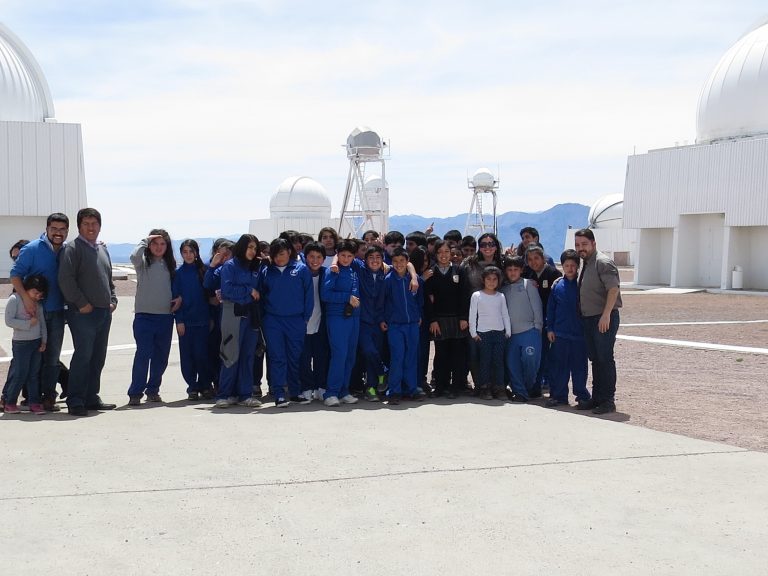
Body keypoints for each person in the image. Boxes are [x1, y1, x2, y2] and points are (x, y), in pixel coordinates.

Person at [58, 207, 118, 416]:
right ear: (79, 226)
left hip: (103, 312)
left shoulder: (102, 249)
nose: (91, 228)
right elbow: (66, 279)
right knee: (83, 356)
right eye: (86, 224)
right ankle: (75, 401)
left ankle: (91, 397)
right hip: (82, 313)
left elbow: (108, 278)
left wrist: (113, 300)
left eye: (94, 224)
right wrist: (81, 303)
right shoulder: (72, 249)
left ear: (99, 226)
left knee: (98, 357)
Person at [9, 214, 69, 411]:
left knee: (52, 358)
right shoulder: (32, 249)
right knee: (26, 360)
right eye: (54, 228)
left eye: (62, 229)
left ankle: (48, 397)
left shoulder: (67, 251)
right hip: (34, 312)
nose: (58, 233)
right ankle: (16, 398)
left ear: (67, 231)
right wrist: (26, 299)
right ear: (47, 228)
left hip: (58, 312)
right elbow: (15, 275)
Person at [258, 238, 314, 407]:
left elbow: (309, 295)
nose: (279, 258)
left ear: (289, 252)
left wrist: (305, 318)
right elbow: (260, 295)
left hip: (296, 320)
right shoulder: (266, 271)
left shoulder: (301, 269)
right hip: (273, 321)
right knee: (277, 357)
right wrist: (263, 319)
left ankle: (295, 392)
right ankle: (279, 393)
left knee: (294, 357)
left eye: (282, 254)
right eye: (275, 255)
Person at [127, 230, 179, 406]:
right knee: (143, 355)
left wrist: (179, 300)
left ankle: (153, 390)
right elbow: (133, 255)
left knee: (161, 358)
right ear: (149, 246)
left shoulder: (171, 265)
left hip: (165, 317)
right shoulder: (142, 263)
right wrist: (144, 240)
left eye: (162, 244)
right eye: (155, 244)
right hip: (144, 317)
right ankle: (135, 392)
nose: (158, 247)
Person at [575, 228, 622, 415]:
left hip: (603, 318)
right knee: (595, 359)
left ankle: (608, 401)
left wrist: (606, 314)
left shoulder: (603, 262)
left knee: (605, 359)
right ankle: (597, 397)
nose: (581, 248)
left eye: (584, 244)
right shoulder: (586, 263)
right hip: (589, 318)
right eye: (578, 245)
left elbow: (613, 289)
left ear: (593, 243)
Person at [215, 234, 263, 409]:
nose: (253, 251)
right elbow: (227, 291)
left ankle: (245, 394)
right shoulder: (230, 266)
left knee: (248, 356)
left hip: (251, 317)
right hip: (233, 315)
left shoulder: (255, 267)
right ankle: (224, 394)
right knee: (229, 354)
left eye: (255, 248)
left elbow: (262, 289)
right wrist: (248, 290)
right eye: (250, 247)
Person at [378, 247, 426, 405]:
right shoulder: (388, 280)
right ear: (392, 263)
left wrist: (418, 315)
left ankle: (411, 389)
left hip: (412, 324)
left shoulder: (415, 279)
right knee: (397, 357)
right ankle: (394, 391)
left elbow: (419, 300)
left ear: (407, 262)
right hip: (395, 325)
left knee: (411, 357)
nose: (399, 264)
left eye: (402, 261)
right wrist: (383, 319)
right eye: (395, 261)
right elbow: (382, 301)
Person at [424, 239, 468, 399]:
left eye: (446, 252)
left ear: (451, 254)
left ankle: (455, 387)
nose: (443, 255)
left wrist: (464, 317)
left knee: (457, 355)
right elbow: (428, 300)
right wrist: (433, 320)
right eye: (440, 252)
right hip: (439, 320)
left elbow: (464, 295)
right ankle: (440, 386)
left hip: (457, 319)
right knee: (441, 354)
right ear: (435, 254)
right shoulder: (430, 272)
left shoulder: (459, 271)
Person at [545, 249, 590, 408]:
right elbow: (551, 308)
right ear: (562, 266)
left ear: (578, 266)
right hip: (560, 335)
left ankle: (582, 396)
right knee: (559, 367)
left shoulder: (583, 285)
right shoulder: (557, 285)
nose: (570, 268)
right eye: (567, 265)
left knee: (579, 368)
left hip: (579, 336)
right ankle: (558, 396)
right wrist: (550, 328)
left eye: (573, 265)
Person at [321, 240, 361, 407]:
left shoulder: (353, 271)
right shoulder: (333, 271)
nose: (346, 258)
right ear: (338, 254)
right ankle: (331, 392)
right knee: (339, 355)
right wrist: (346, 298)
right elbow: (326, 294)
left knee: (350, 355)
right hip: (337, 317)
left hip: (353, 317)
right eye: (343, 255)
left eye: (349, 256)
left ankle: (343, 390)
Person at [173, 239, 214, 401]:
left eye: (191, 251)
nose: (188, 255)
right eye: (185, 252)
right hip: (186, 322)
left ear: (196, 253)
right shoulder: (178, 273)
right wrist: (179, 320)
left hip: (203, 321)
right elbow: (176, 300)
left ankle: (205, 385)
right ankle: (192, 386)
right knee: (187, 356)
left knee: (202, 355)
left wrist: (211, 318)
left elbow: (210, 297)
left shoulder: (204, 271)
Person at [500, 256, 543, 403]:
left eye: (515, 270)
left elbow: (536, 306)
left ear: (521, 270)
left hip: (529, 331)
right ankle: (519, 392)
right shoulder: (503, 289)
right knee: (513, 364)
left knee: (530, 362)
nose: (512, 273)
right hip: (511, 334)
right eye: (510, 270)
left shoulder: (528, 285)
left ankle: (528, 387)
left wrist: (538, 326)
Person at [3, 275, 48, 414]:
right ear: (26, 289)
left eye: (40, 295)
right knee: (20, 373)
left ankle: (33, 402)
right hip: (21, 343)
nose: (37, 296)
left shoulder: (38, 304)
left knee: (34, 374)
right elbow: (9, 321)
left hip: (36, 342)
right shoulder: (14, 299)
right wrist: (28, 324)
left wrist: (44, 340)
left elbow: (42, 323)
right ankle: (9, 402)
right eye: (35, 292)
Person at [523, 243, 562, 397]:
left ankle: (556, 391)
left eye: (536, 258)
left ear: (543, 258)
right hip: (535, 322)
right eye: (530, 259)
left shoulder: (554, 274)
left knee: (552, 357)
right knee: (538, 355)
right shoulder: (529, 275)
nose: (534, 262)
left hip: (550, 322)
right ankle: (535, 387)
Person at [468, 266, 511, 400]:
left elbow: (505, 314)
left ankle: (499, 388)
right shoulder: (477, 295)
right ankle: (484, 388)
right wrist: (473, 332)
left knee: (498, 361)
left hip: (499, 333)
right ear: (483, 280)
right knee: (485, 361)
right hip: (483, 333)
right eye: (488, 279)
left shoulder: (501, 296)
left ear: (498, 281)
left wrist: (508, 330)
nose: (491, 282)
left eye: (494, 279)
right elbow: (472, 315)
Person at [298, 242, 329, 403]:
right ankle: (306, 387)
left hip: (321, 322)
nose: (315, 260)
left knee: (320, 356)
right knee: (303, 357)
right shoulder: (300, 273)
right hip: (302, 322)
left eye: (318, 257)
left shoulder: (327, 273)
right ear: (305, 257)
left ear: (324, 259)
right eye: (311, 257)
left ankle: (321, 387)